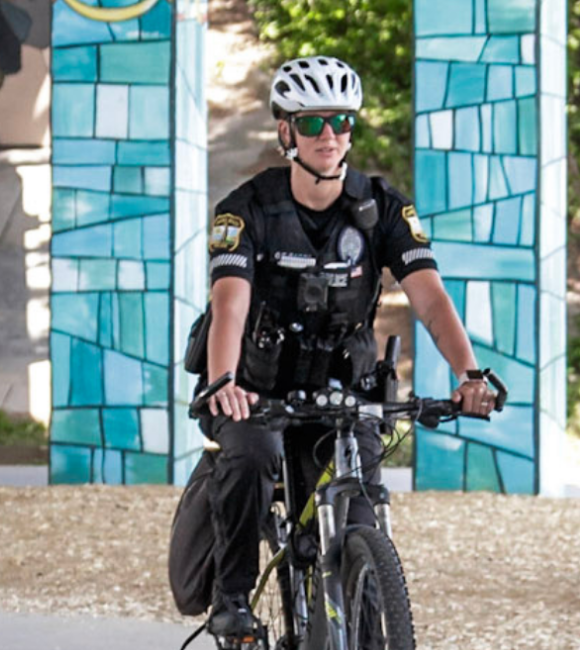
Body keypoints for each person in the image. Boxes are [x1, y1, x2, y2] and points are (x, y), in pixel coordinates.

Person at [193, 54, 498, 640]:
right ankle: (232, 599)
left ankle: (362, 612)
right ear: (286, 131)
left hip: (345, 390)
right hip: (258, 389)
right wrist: (224, 381)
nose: (328, 135)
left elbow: (429, 298)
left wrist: (470, 373)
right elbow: (229, 302)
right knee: (251, 460)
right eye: (311, 123)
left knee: (359, 504)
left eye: (339, 121)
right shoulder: (244, 210)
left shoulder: (383, 208)